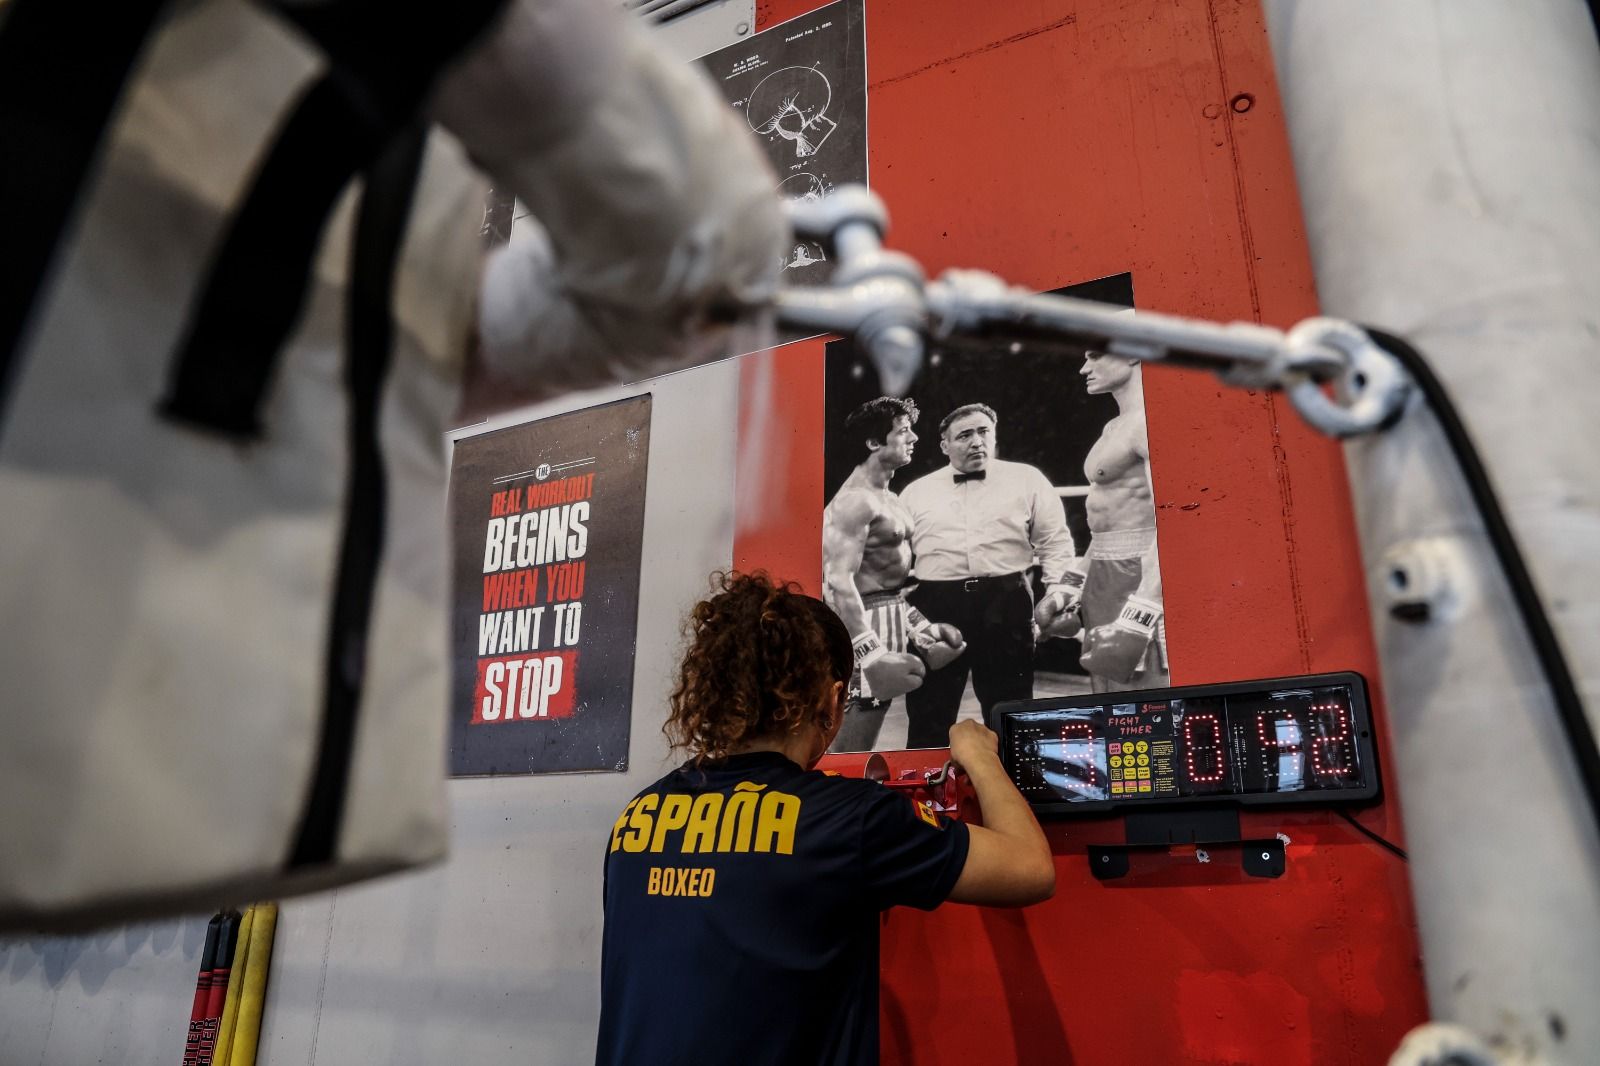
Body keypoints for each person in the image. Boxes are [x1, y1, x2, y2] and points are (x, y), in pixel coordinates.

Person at [597, 572, 1054, 1066]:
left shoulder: (639, 816)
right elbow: (1031, 868)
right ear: (833, 700)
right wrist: (979, 755)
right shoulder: (850, 818)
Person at [898, 404, 1075, 749]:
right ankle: (924, 797)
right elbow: (894, 558)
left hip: (1006, 598)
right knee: (928, 710)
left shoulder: (1027, 479)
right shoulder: (916, 492)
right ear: (944, 444)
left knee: (1010, 707)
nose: (977, 441)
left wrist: (1056, 594)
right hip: (937, 603)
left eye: (984, 432)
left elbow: (1055, 543)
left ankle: (1018, 791)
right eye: (965, 435)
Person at [821, 397, 965, 752]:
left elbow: (888, 585)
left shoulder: (891, 498)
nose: (914, 437)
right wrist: (870, 655)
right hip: (859, 628)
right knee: (849, 749)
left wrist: (921, 627)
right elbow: (837, 582)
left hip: (886, 616)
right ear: (873, 443)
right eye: (903, 431)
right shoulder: (855, 502)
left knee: (868, 730)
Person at [1035, 352, 1168, 692]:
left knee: (1148, 697)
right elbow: (1106, 532)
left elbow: (1172, 526)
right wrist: (1068, 588)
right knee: (1108, 695)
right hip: (1103, 577)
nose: (1084, 368)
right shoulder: (1114, 427)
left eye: (1095, 356)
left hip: (1142, 578)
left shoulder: (1150, 423)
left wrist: (1141, 614)